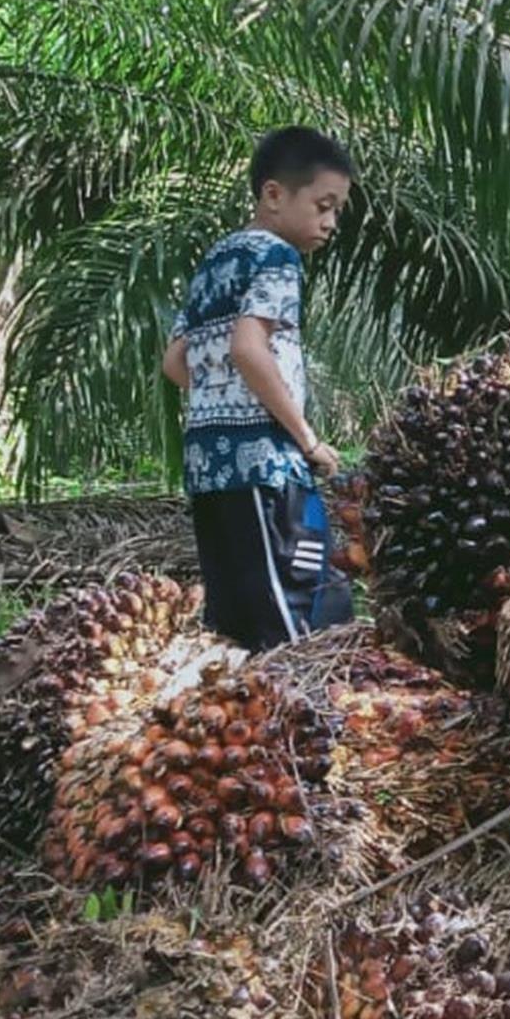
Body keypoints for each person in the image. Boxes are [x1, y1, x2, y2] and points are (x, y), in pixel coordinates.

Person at [161, 126, 356, 650]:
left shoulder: (218, 261)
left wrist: (221, 401)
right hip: (266, 468)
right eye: (323, 204)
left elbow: (177, 362)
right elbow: (250, 348)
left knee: (236, 628)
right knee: (301, 628)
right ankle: (311, 729)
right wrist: (307, 440)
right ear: (273, 195)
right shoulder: (276, 258)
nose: (330, 221)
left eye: (336, 209)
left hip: (208, 468)